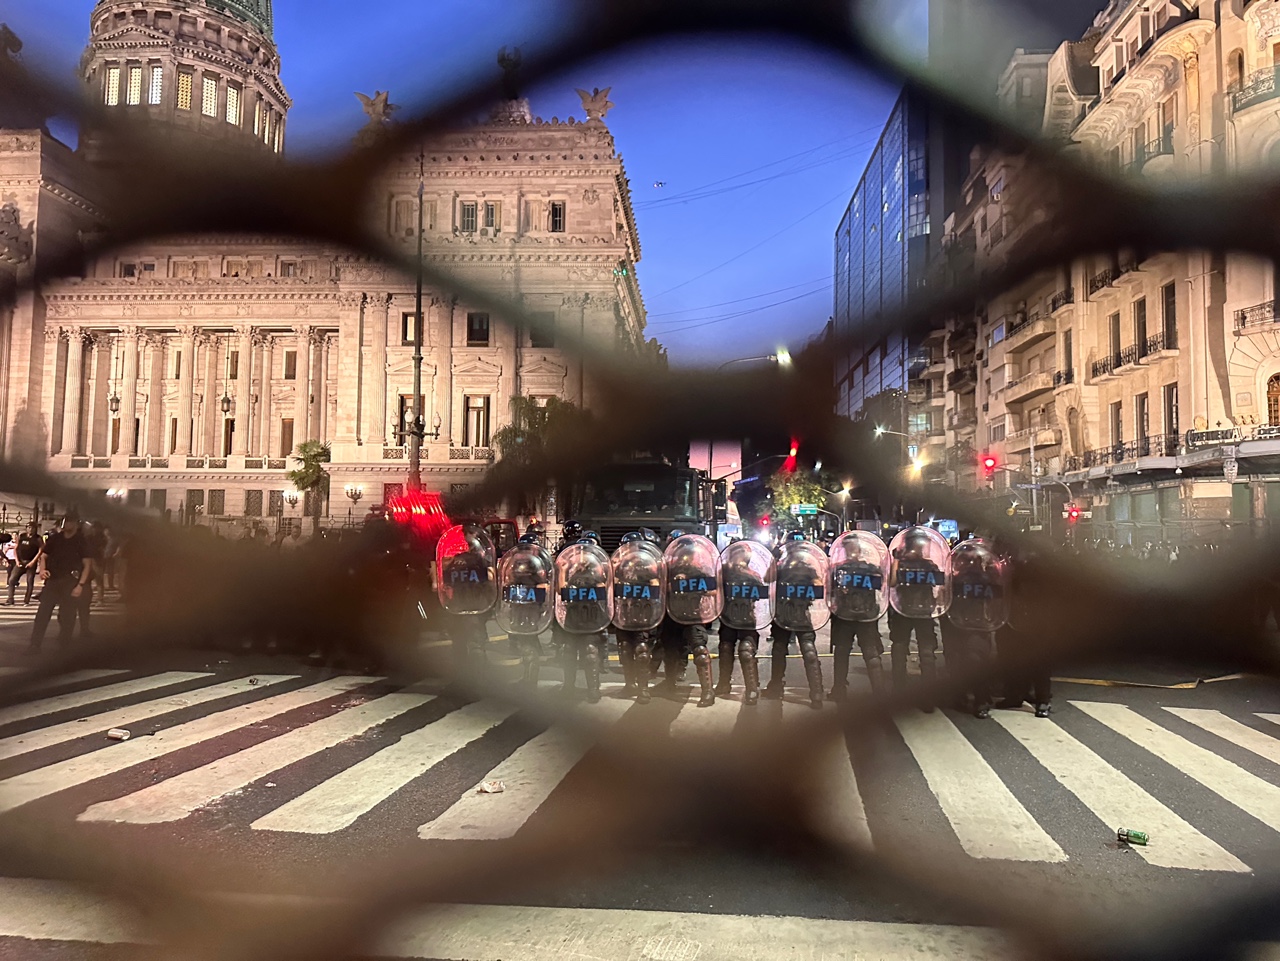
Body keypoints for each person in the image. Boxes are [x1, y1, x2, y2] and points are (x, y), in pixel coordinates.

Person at [764, 532, 827, 709]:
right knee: (808, 650)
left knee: (779, 649)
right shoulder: (807, 567)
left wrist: (773, 559)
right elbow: (819, 585)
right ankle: (816, 693)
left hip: (784, 612)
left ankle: (776, 687)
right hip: (801, 613)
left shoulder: (781, 566)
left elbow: (767, 578)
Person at [888, 527, 946, 710]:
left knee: (919, 653)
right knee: (907, 651)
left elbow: (942, 584)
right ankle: (914, 694)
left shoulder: (926, 565)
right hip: (908, 610)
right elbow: (891, 582)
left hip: (916, 611)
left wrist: (897, 560)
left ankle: (912, 693)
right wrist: (897, 559)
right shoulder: (922, 564)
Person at [827, 533, 889, 698]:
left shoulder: (838, 569)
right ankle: (879, 692)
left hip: (844, 614)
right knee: (871, 652)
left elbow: (830, 590)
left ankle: (839, 690)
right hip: (866, 614)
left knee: (841, 652)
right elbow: (882, 585)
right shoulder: (871, 569)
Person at [716, 541, 772, 705]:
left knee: (746, 652)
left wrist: (742, 572)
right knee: (725, 648)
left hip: (746, 618)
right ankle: (723, 683)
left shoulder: (752, 575)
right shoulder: (724, 572)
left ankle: (752, 688)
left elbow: (760, 592)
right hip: (728, 616)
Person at [29, 511, 91, 653]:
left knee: (67, 615)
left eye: (69, 521)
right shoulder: (56, 538)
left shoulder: (81, 541)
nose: (66, 524)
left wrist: (80, 585)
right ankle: (34, 644)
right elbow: (44, 556)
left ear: (75, 524)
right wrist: (42, 570)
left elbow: (87, 564)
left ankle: (65, 644)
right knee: (42, 614)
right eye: (65, 521)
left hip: (70, 581)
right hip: (53, 580)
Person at [611, 531, 662, 703]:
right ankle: (629, 685)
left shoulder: (647, 567)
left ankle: (643, 689)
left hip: (642, 612)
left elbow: (656, 586)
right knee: (625, 649)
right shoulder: (618, 566)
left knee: (641, 650)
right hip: (624, 613)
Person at [8, 521, 40, 606]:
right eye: (28, 527)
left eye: (32, 528)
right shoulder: (22, 536)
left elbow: (41, 550)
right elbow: (16, 548)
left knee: (29, 582)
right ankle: (10, 599)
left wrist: (33, 561)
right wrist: (17, 561)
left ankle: (26, 601)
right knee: (11, 580)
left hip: (31, 562)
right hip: (21, 561)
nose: (30, 529)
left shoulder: (37, 538)